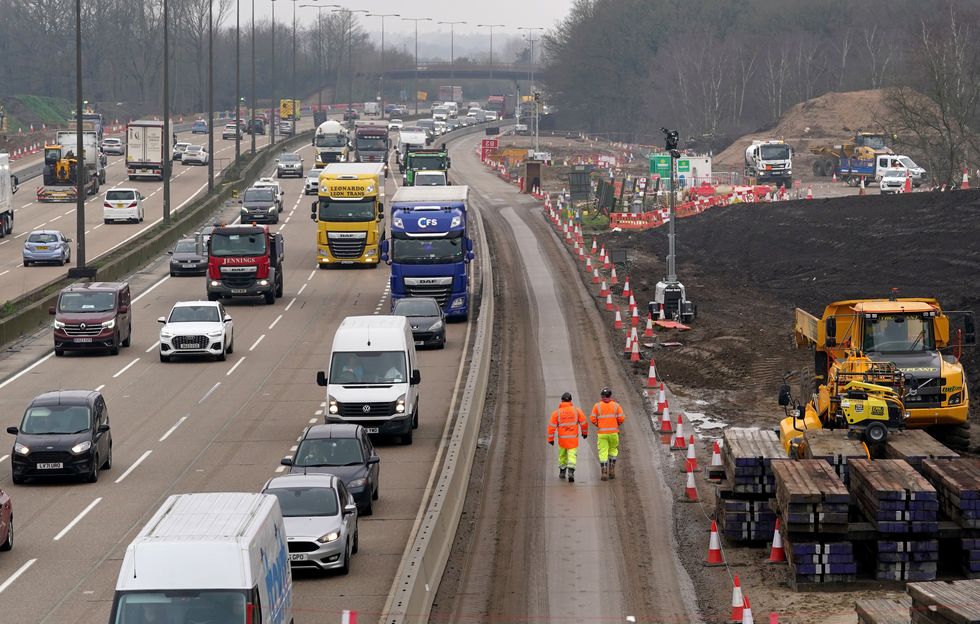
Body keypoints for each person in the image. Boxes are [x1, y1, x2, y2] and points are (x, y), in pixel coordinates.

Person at [547, 392, 587, 483]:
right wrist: (584, 433)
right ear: (570, 400)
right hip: (573, 440)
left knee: (562, 455)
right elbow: (584, 423)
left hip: (562, 440)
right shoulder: (577, 411)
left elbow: (551, 427)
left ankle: (562, 471)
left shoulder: (557, 413)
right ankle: (571, 472)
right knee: (572, 455)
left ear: (562, 400)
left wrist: (550, 439)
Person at [590, 386, 626, 481]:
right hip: (614, 433)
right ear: (610, 396)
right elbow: (622, 418)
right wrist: (616, 424)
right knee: (613, 451)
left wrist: (599, 424)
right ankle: (612, 470)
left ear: (602, 396)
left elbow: (592, 419)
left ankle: (604, 471)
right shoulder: (616, 406)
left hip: (602, 434)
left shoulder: (597, 406)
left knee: (603, 452)